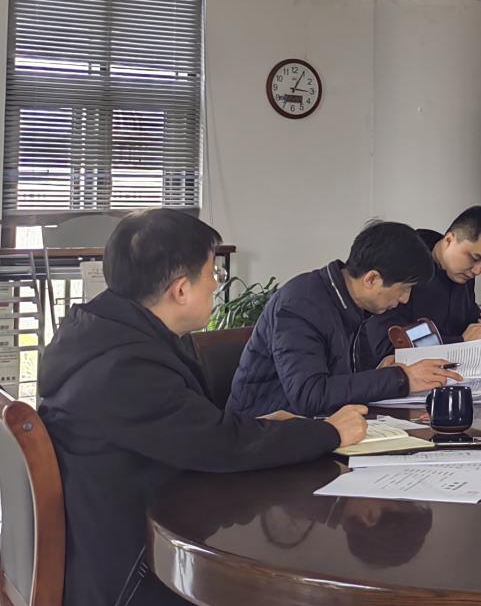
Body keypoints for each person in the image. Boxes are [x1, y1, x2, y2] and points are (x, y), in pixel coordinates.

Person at [37, 209, 370, 606]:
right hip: (135, 573)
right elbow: (220, 445)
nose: (216, 283)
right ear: (181, 290)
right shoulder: (125, 367)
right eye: (212, 273)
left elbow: (189, 427)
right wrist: (329, 431)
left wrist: (259, 425)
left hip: (124, 536)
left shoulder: (106, 331)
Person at [228, 221, 460, 418]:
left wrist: (382, 368)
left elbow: (351, 378)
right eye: (403, 289)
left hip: (317, 429)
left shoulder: (353, 304)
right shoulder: (301, 305)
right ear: (371, 279)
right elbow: (309, 395)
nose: (404, 299)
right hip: (261, 436)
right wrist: (401, 379)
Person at [367, 205, 481, 359]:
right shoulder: (405, 266)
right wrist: (459, 343)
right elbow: (385, 345)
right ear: (449, 240)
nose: (478, 270)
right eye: (474, 258)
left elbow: (467, 322)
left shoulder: (463, 274)